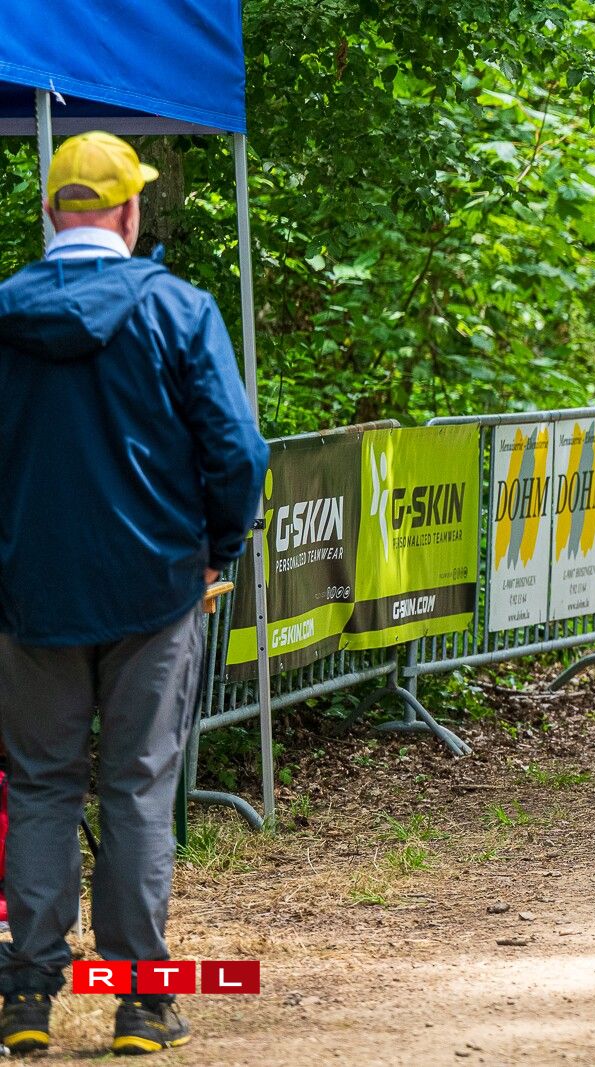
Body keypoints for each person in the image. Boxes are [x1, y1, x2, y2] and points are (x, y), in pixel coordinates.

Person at [0, 132, 268, 1055]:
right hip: (155, 589)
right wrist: (217, 550)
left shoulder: (3, 314)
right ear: (128, 211)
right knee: (137, 786)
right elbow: (236, 449)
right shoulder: (178, 310)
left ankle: (26, 998)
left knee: (40, 784)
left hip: (30, 595)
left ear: (50, 211)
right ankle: (141, 1002)